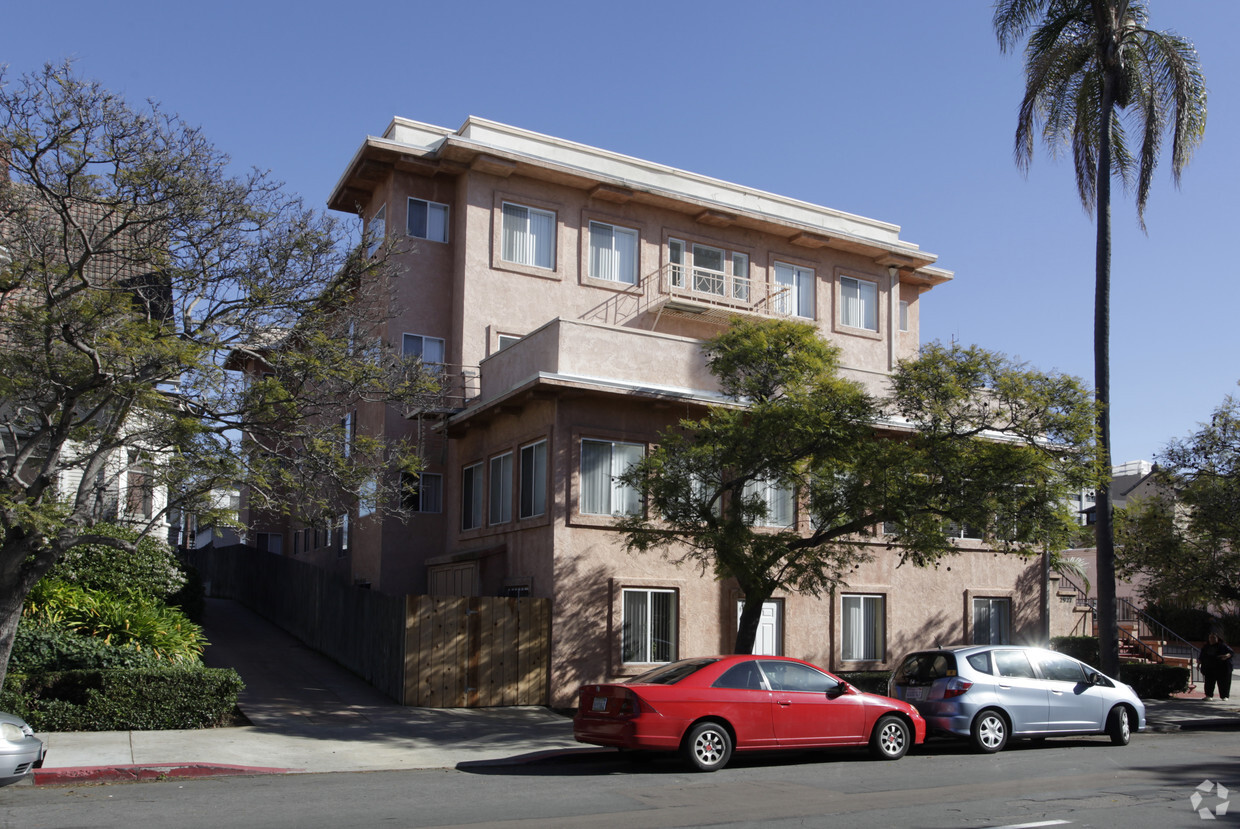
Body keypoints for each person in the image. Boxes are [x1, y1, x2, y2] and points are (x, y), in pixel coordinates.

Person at [1200, 633, 1234, 701]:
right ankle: (1209, 695)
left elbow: (1231, 652)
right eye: (1210, 638)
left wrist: (1226, 656)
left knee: (1224, 683)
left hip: (1222, 668)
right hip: (1210, 667)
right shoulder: (1206, 646)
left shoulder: (1222, 646)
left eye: (1214, 638)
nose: (1212, 639)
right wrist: (1199, 662)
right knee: (1209, 682)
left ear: (1217, 639)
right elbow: (1202, 656)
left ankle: (1224, 696)